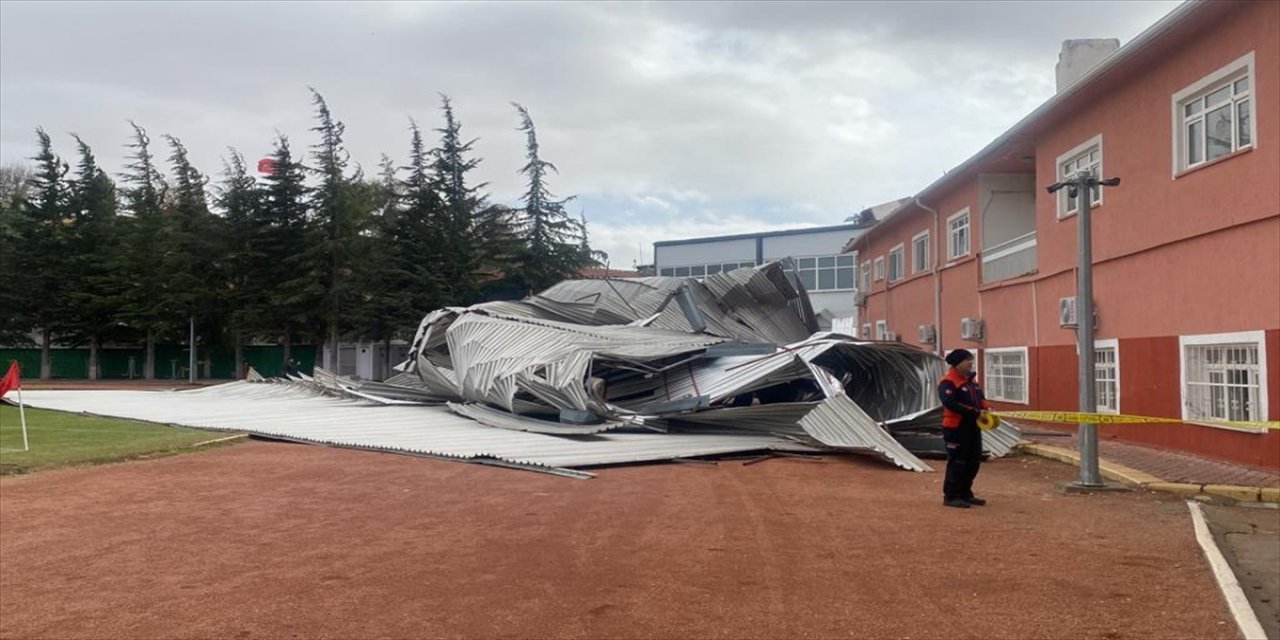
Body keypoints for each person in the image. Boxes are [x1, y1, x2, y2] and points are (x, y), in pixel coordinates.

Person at [938, 349, 992, 508]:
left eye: (971, 359)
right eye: (967, 360)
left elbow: (980, 398)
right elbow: (949, 403)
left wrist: (987, 407)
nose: (970, 362)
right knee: (958, 461)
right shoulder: (948, 381)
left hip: (973, 426)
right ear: (957, 362)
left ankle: (965, 492)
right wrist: (974, 412)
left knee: (973, 460)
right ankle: (951, 495)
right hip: (956, 427)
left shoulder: (971, 381)